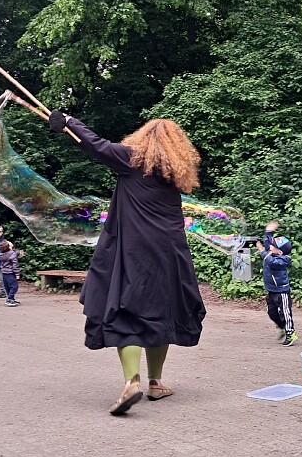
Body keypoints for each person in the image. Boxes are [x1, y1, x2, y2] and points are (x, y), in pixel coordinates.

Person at [49, 110, 207, 416]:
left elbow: (96, 144)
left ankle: (132, 382)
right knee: (163, 313)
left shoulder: (132, 160)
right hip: (171, 255)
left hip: (134, 252)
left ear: (143, 138)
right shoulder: (174, 175)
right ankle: (156, 383)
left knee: (127, 313)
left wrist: (69, 121)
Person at [256, 221, 298, 347]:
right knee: (272, 313)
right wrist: (268, 231)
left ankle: (290, 333)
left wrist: (261, 250)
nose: (270, 246)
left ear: (280, 252)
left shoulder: (282, 260)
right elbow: (268, 244)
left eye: (273, 246)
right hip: (271, 291)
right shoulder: (271, 252)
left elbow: (271, 262)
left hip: (282, 291)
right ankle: (282, 327)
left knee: (285, 313)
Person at [0, 240, 21, 306]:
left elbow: (11, 253)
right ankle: (10, 299)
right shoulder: (12, 254)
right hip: (11, 273)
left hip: (4, 273)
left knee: (7, 287)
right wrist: (17, 274)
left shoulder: (1, 254)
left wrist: (17, 252)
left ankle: (11, 299)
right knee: (14, 286)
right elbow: (15, 265)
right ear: (9, 247)